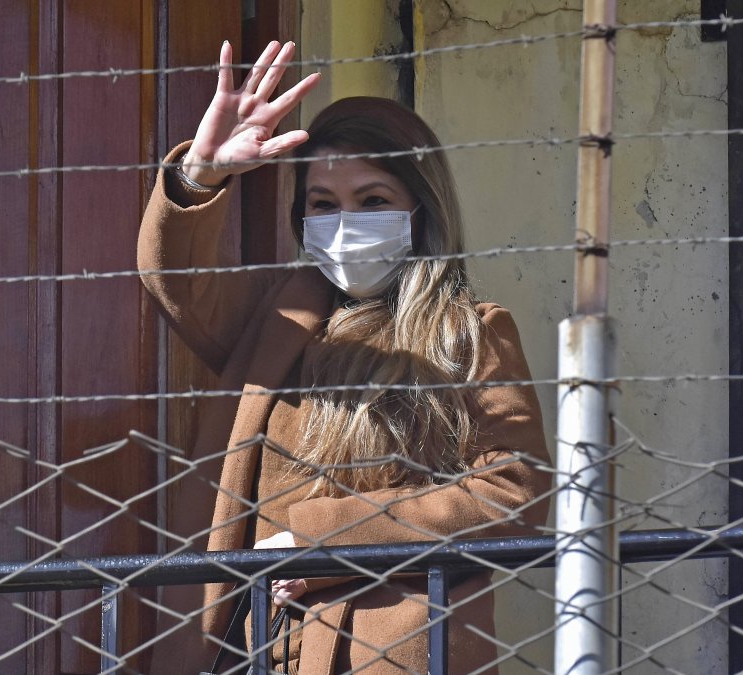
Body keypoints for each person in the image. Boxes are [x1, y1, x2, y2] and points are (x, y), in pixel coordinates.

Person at [138, 40, 551, 675]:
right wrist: (202, 173)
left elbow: (514, 491)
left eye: (373, 200)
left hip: (386, 648)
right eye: (324, 205)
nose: (346, 222)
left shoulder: (468, 333)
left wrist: (327, 538)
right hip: (253, 642)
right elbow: (176, 280)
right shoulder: (274, 317)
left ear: (420, 207)